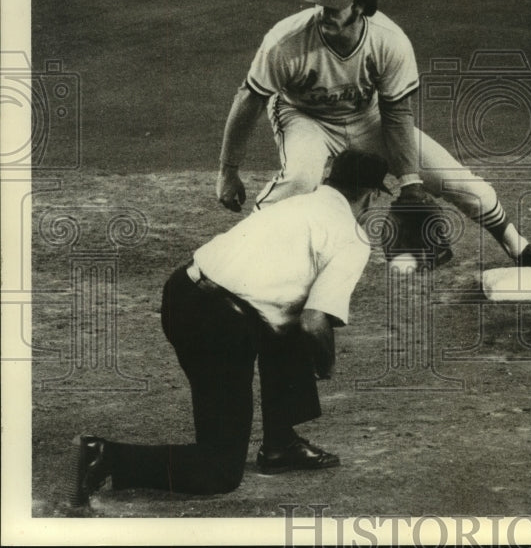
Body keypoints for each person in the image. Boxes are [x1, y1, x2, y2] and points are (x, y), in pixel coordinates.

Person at [63, 150, 391, 509]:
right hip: (218, 329)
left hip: (182, 293)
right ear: (372, 194)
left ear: (329, 176)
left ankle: (281, 445)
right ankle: (106, 456)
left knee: (283, 324)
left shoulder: (291, 204)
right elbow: (315, 322)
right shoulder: (351, 237)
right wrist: (325, 367)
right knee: (218, 471)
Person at [215, 0, 531, 268]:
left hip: (370, 119)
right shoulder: (286, 40)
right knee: (300, 179)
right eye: (321, 2)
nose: (324, 13)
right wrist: (228, 171)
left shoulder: (389, 40)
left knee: (465, 186)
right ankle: (242, 252)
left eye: (335, 6)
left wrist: (410, 184)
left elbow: (396, 113)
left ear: (361, 6)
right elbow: (249, 100)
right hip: (303, 116)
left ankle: (520, 249)